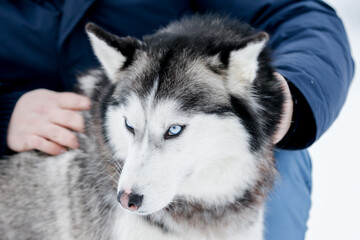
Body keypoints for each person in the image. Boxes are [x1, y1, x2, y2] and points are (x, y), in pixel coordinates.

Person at [0, 0, 354, 239]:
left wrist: (289, 97)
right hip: (46, 149)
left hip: (199, 112)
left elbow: (294, 15)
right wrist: (5, 113)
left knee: (269, 152)